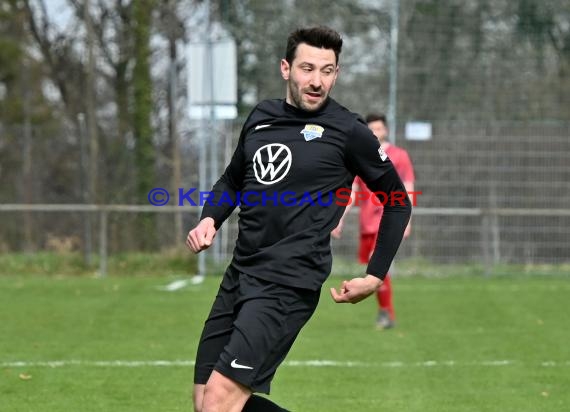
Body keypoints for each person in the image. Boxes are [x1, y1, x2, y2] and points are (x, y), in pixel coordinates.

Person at [186, 26, 411, 412]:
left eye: (327, 70)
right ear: (286, 69)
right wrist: (210, 218)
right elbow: (231, 180)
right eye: (308, 68)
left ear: (336, 74)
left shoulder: (349, 131)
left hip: (288, 282)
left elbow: (397, 200)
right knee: (204, 399)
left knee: (219, 403)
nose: (317, 80)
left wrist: (374, 276)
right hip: (241, 273)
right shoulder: (261, 117)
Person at [332, 113, 415, 329]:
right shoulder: (363, 154)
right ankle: (384, 312)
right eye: (371, 130)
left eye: (379, 129)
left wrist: (407, 220)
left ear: (385, 130)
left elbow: (407, 188)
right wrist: (339, 217)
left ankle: (386, 313)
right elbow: (353, 190)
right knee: (374, 268)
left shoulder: (400, 155)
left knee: (376, 267)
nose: (375, 133)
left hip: (388, 219)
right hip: (367, 222)